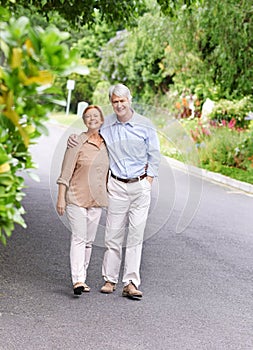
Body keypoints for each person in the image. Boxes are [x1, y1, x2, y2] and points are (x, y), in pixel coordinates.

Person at [68, 84, 160, 299]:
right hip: (117, 185)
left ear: (130, 100)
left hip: (139, 186)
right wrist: (75, 137)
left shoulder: (145, 126)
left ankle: (130, 282)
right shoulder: (106, 124)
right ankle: (110, 279)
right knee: (113, 234)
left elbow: (154, 154)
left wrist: (149, 180)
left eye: (122, 101)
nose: (119, 105)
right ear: (111, 103)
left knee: (136, 236)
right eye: (115, 102)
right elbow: (90, 132)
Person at [56, 105, 109, 296]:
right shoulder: (76, 142)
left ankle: (83, 277)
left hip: (97, 200)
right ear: (84, 121)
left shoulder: (107, 144)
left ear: (102, 120)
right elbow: (65, 172)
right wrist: (61, 197)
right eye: (88, 116)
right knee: (79, 237)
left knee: (89, 241)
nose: (92, 119)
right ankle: (77, 279)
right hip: (76, 197)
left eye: (96, 116)